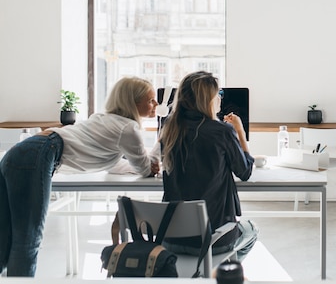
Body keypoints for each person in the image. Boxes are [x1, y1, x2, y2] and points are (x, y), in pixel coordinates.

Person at [0, 76, 160, 277]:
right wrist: (162, 140)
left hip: (21, 152)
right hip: (39, 153)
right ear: (132, 102)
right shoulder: (129, 129)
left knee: (5, 236)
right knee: (27, 240)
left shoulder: (102, 118)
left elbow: (113, 165)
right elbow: (146, 169)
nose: (156, 104)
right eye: (150, 100)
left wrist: (141, 164)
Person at [159, 71, 257, 258]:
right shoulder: (222, 131)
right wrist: (240, 131)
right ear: (209, 99)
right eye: (218, 94)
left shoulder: (169, 130)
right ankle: (224, 272)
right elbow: (245, 171)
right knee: (252, 230)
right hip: (213, 240)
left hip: (172, 240)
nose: (220, 99)